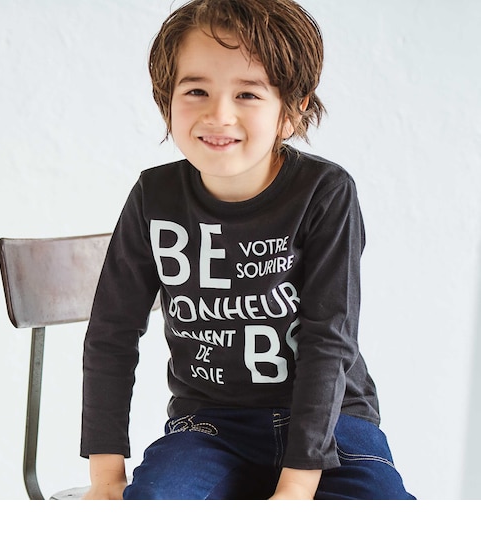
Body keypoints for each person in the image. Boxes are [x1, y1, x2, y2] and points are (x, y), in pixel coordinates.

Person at [81, 0, 415, 500]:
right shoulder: (155, 196)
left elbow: (328, 339)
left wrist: (296, 487)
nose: (219, 114)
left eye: (247, 94)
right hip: (210, 426)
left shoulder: (325, 193)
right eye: (196, 90)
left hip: (331, 422)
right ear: (166, 100)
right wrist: (107, 477)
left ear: (291, 110)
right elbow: (112, 331)